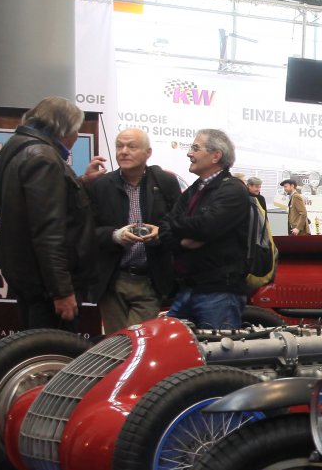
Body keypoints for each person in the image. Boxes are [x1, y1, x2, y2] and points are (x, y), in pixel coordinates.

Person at [0, 96, 104, 330]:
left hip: (28, 275)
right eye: (76, 130)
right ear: (64, 129)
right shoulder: (44, 158)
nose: (76, 136)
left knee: (34, 344)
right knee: (53, 348)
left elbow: (30, 207)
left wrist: (81, 182)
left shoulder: (16, 146)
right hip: (46, 287)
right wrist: (62, 291)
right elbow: (48, 232)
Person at [85, 127, 181, 333]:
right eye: (119, 146)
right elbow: (88, 232)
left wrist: (160, 232)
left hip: (150, 279)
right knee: (115, 342)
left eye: (131, 146)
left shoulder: (165, 182)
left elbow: (178, 225)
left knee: (139, 341)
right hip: (113, 279)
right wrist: (115, 235)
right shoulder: (101, 185)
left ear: (148, 153)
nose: (124, 151)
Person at [155, 129, 252, 331]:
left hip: (219, 293)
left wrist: (179, 227)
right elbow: (164, 225)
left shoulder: (233, 190)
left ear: (216, 155)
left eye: (195, 148)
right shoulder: (194, 189)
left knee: (218, 349)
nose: (189, 153)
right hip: (187, 289)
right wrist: (183, 241)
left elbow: (205, 227)